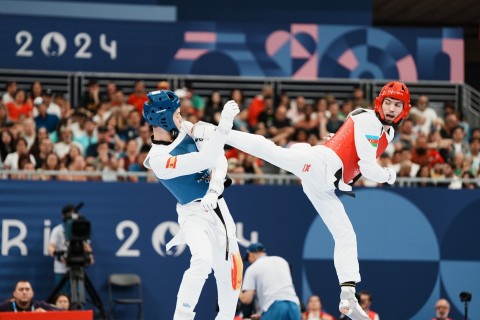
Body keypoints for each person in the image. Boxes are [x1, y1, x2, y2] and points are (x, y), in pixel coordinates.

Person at [192, 81, 411, 320]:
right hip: (320, 166)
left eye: (396, 105)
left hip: (325, 184)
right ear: (379, 103)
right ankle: (212, 131)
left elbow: (353, 147)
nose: (391, 108)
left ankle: (348, 294)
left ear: (404, 110)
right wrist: (390, 175)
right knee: (272, 152)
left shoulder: (387, 132)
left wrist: (339, 139)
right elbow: (368, 167)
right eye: (387, 102)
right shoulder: (370, 120)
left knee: (345, 234)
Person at [141, 90, 242, 320]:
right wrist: (225, 123)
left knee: (232, 274)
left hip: (218, 206)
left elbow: (219, 158)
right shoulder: (158, 159)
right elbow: (206, 159)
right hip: (192, 213)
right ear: (163, 118)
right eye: (176, 113)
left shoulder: (185, 128)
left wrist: (215, 187)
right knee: (202, 260)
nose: (181, 116)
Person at [239, 242, 301, 320]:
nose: (249, 261)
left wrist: (236, 289)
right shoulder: (282, 261)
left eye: (248, 258)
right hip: (294, 305)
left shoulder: (252, 268)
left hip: (276, 306)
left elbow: (246, 299)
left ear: (251, 254)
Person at [48, 204, 94, 292]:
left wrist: (90, 256)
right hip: (61, 268)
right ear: (63, 216)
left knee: (78, 293)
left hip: (78, 267)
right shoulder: (57, 230)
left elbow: (86, 245)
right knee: (61, 296)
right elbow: (51, 246)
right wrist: (57, 255)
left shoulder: (80, 228)